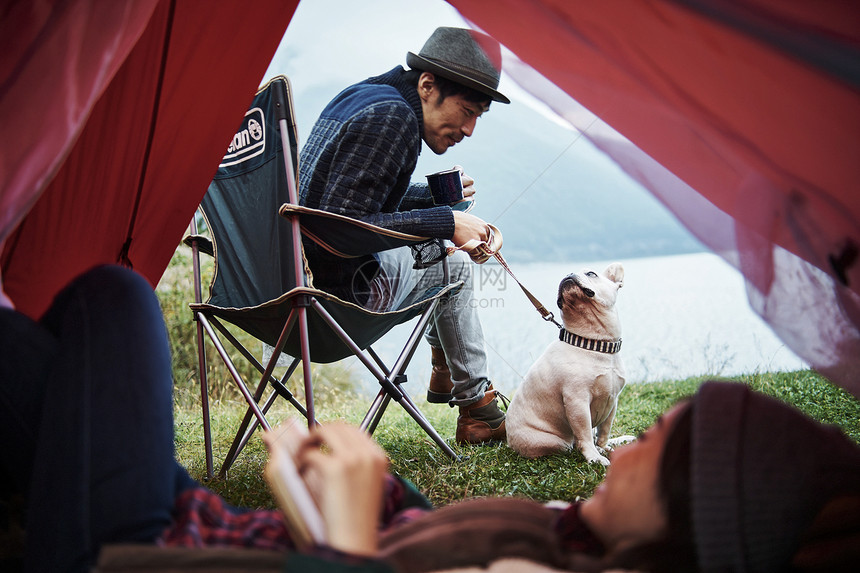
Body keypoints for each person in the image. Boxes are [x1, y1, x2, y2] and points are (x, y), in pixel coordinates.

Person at [3, 265, 858, 572]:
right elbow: (429, 544)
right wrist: (385, 489)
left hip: (138, 555)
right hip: (199, 523)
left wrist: (341, 538)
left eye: (660, 449)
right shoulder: (576, 537)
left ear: (695, 519)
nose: (634, 445)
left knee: (112, 302)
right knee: (57, 344)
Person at [298, 26, 511, 444]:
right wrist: (448, 223)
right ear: (428, 85)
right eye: (467, 111)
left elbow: (346, 200)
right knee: (455, 266)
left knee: (438, 251)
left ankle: (446, 371)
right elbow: (343, 230)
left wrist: (431, 198)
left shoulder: (362, 96)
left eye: (477, 117)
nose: (469, 130)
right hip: (337, 301)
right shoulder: (394, 118)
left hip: (290, 285)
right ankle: (478, 410)